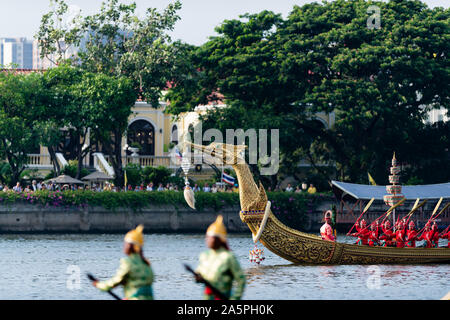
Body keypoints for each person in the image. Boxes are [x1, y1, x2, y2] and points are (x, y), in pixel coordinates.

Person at [92, 225, 154, 300]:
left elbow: (115, 281)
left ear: (130, 246)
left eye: (126, 243)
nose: (124, 246)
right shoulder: (147, 264)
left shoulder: (128, 262)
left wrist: (99, 285)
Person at [195, 215, 246, 300]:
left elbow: (241, 280)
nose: (207, 240)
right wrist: (198, 277)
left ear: (219, 240)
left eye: (211, 237)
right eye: (207, 237)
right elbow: (199, 274)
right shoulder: (204, 256)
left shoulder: (229, 257)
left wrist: (235, 298)